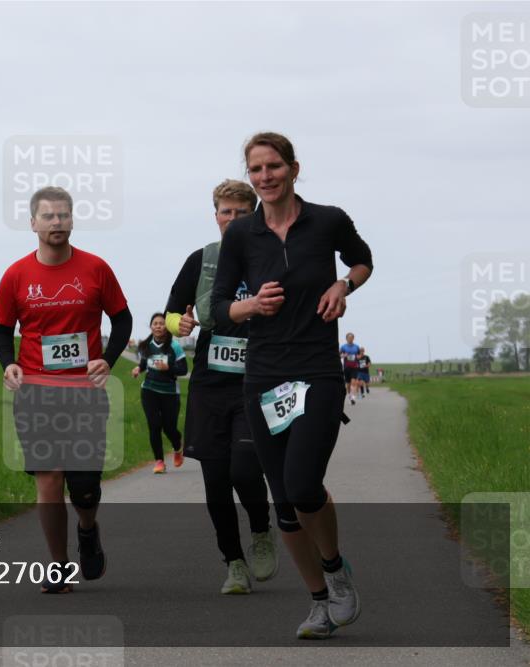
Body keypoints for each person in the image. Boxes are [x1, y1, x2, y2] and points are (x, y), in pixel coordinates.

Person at [210, 132, 373, 639]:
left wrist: (344, 285)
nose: (265, 177)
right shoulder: (241, 236)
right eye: (256, 169)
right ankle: (320, 601)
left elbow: (363, 259)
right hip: (264, 376)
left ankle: (334, 566)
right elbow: (218, 310)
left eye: (274, 166)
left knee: (304, 486)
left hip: (319, 370)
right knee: (284, 500)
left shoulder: (328, 220)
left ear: (294, 169)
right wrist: (252, 306)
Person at [0, 186, 132, 594]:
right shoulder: (16, 275)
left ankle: (87, 529)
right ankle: (58, 565)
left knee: (85, 488)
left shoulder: (95, 269)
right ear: (33, 223)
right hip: (36, 391)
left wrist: (107, 356)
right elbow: (1, 331)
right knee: (49, 479)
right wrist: (10, 363)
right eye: (48, 216)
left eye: (63, 216)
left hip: (83, 391)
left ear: (72, 220)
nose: (56, 222)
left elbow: (122, 319)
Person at [164, 179, 278, 595]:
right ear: (215, 216)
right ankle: (233, 563)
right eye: (225, 212)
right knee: (215, 480)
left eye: (240, 212)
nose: (232, 219)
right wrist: (183, 324)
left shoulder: (271, 257)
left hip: (257, 380)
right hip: (210, 383)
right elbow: (172, 311)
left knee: (244, 468)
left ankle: (262, 528)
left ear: (255, 214)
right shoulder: (202, 260)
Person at [131, 313, 187, 474]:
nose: (158, 326)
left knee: (169, 428)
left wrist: (168, 368)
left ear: (167, 327)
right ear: (151, 327)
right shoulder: (147, 346)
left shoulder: (174, 347)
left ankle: (177, 447)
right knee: (154, 426)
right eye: (155, 323)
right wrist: (138, 369)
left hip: (170, 393)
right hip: (149, 390)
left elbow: (183, 370)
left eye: (161, 323)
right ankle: (159, 461)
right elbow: (143, 364)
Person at [340, 333, 361, 404]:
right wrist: (343, 355)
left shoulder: (357, 347)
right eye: (349, 338)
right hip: (346, 367)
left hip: (354, 367)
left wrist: (358, 357)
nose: (350, 339)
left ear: (353, 338)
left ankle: (353, 398)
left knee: (353, 383)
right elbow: (339, 355)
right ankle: (349, 395)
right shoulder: (343, 347)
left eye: (352, 338)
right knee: (348, 384)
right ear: (346, 339)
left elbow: (359, 355)